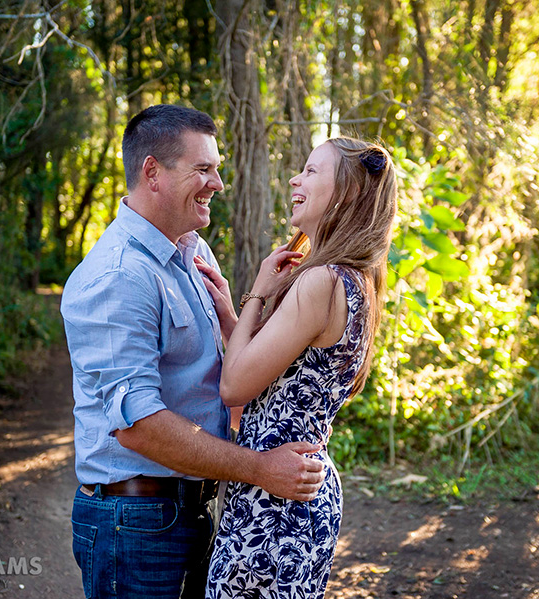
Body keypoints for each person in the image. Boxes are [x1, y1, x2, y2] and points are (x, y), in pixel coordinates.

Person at [60, 104, 326, 599]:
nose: (218, 184)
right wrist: (259, 468)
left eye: (217, 168)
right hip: (134, 525)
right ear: (152, 172)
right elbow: (138, 426)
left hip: (192, 509)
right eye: (203, 169)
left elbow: (218, 377)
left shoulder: (193, 251)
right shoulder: (119, 276)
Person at [195, 137, 397, 598]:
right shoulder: (354, 280)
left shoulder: (320, 283)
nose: (295, 179)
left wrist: (260, 293)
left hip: (277, 503)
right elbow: (282, 376)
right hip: (294, 496)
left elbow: (234, 387)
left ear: (345, 194)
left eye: (310, 171)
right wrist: (234, 316)